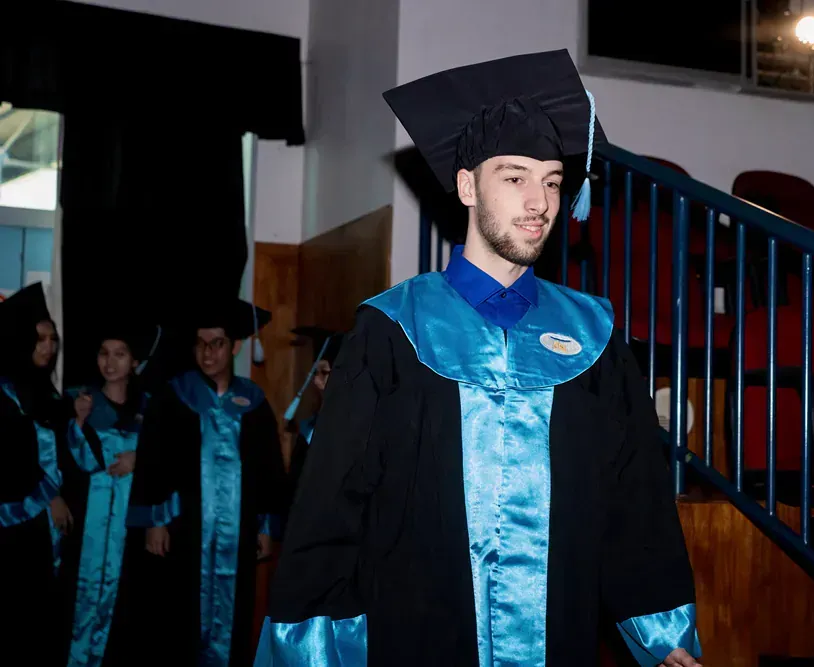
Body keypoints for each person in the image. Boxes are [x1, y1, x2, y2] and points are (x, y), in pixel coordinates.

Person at [258, 50, 702, 667]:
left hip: (558, 636)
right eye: (515, 177)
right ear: (468, 186)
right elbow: (334, 505)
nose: (540, 201)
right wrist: (315, 648)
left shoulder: (593, 337)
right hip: (420, 636)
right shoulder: (393, 329)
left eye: (552, 181)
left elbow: (634, 497)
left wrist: (662, 632)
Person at [122, 298, 288, 666]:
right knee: (179, 619)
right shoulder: (173, 397)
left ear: (235, 346)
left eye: (217, 343)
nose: (207, 352)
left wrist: (265, 527)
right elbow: (153, 463)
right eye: (200, 343)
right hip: (185, 531)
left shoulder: (254, 403)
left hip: (238, 535)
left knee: (235, 616)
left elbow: (269, 470)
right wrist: (154, 522)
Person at [60, 322, 153, 667]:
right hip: (87, 526)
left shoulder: (151, 409)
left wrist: (138, 459)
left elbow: (170, 462)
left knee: (125, 611)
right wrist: (78, 423)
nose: (109, 362)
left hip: (131, 530)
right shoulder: (79, 400)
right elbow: (69, 466)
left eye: (119, 354)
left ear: (134, 361)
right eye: (103, 353)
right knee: (76, 602)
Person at [0, 282, 72, 660]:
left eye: (53, 339)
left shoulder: (48, 393)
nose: (48, 347)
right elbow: (8, 461)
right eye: (39, 339)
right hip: (14, 527)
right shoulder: (4, 394)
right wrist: (50, 495)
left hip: (46, 529)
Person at [285, 326, 344, 495]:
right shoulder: (309, 429)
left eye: (324, 372)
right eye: (315, 373)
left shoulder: (356, 430)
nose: (317, 382)